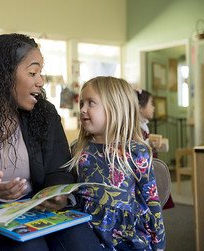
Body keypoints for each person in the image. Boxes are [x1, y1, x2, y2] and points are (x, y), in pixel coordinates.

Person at [0, 33, 103, 251]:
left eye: (40, 72)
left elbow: (59, 169)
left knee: (81, 240)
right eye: (32, 72)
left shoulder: (45, 113)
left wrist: (59, 194)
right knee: (31, 247)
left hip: (35, 206)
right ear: (4, 76)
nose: (41, 81)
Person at [66, 76, 166, 250]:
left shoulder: (136, 151)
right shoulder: (78, 149)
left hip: (128, 239)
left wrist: (158, 243)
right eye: (81, 103)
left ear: (115, 108)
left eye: (91, 103)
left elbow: (152, 202)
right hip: (87, 234)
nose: (82, 109)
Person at [136, 89, 174, 209]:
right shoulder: (136, 127)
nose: (153, 107)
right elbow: (137, 145)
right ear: (140, 108)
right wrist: (149, 143)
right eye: (151, 103)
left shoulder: (144, 125)